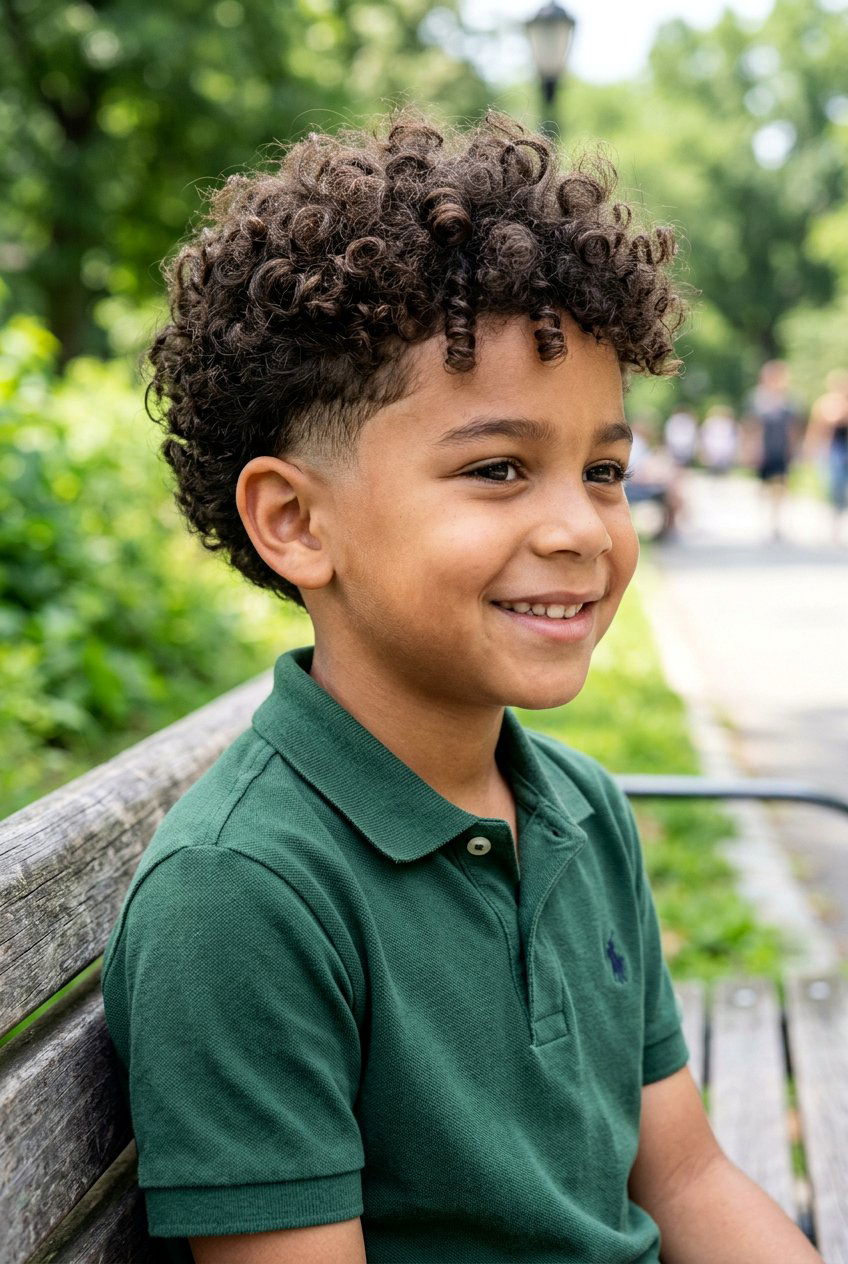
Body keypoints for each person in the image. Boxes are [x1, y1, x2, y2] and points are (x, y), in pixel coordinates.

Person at [100, 108, 821, 1264]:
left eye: (601, 470)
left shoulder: (579, 811)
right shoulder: (241, 895)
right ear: (294, 521)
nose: (579, 527)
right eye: (497, 469)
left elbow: (681, 1173)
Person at [744, 360, 802, 540]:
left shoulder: (789, 399)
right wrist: (750, 448)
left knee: (781, 484)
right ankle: (764, 519)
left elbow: (793, 427)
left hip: (781, 447)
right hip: (764, 448)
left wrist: (793, 448)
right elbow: (751, 425)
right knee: (765, 485)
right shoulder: (757, 398)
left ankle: (776, 521)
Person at [805, 368, 848, 544]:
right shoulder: (825, 404)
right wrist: (811, 448)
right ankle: (833, 525)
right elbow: (817, 428)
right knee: (833, 487)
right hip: (833, 450)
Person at [698, 404, 738, 475]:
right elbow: (705, 437)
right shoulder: (710, 423)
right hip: (713, 449)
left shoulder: (728, 424)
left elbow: (733, 438)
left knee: (723, 471)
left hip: (724, 451)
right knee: (712, 471)